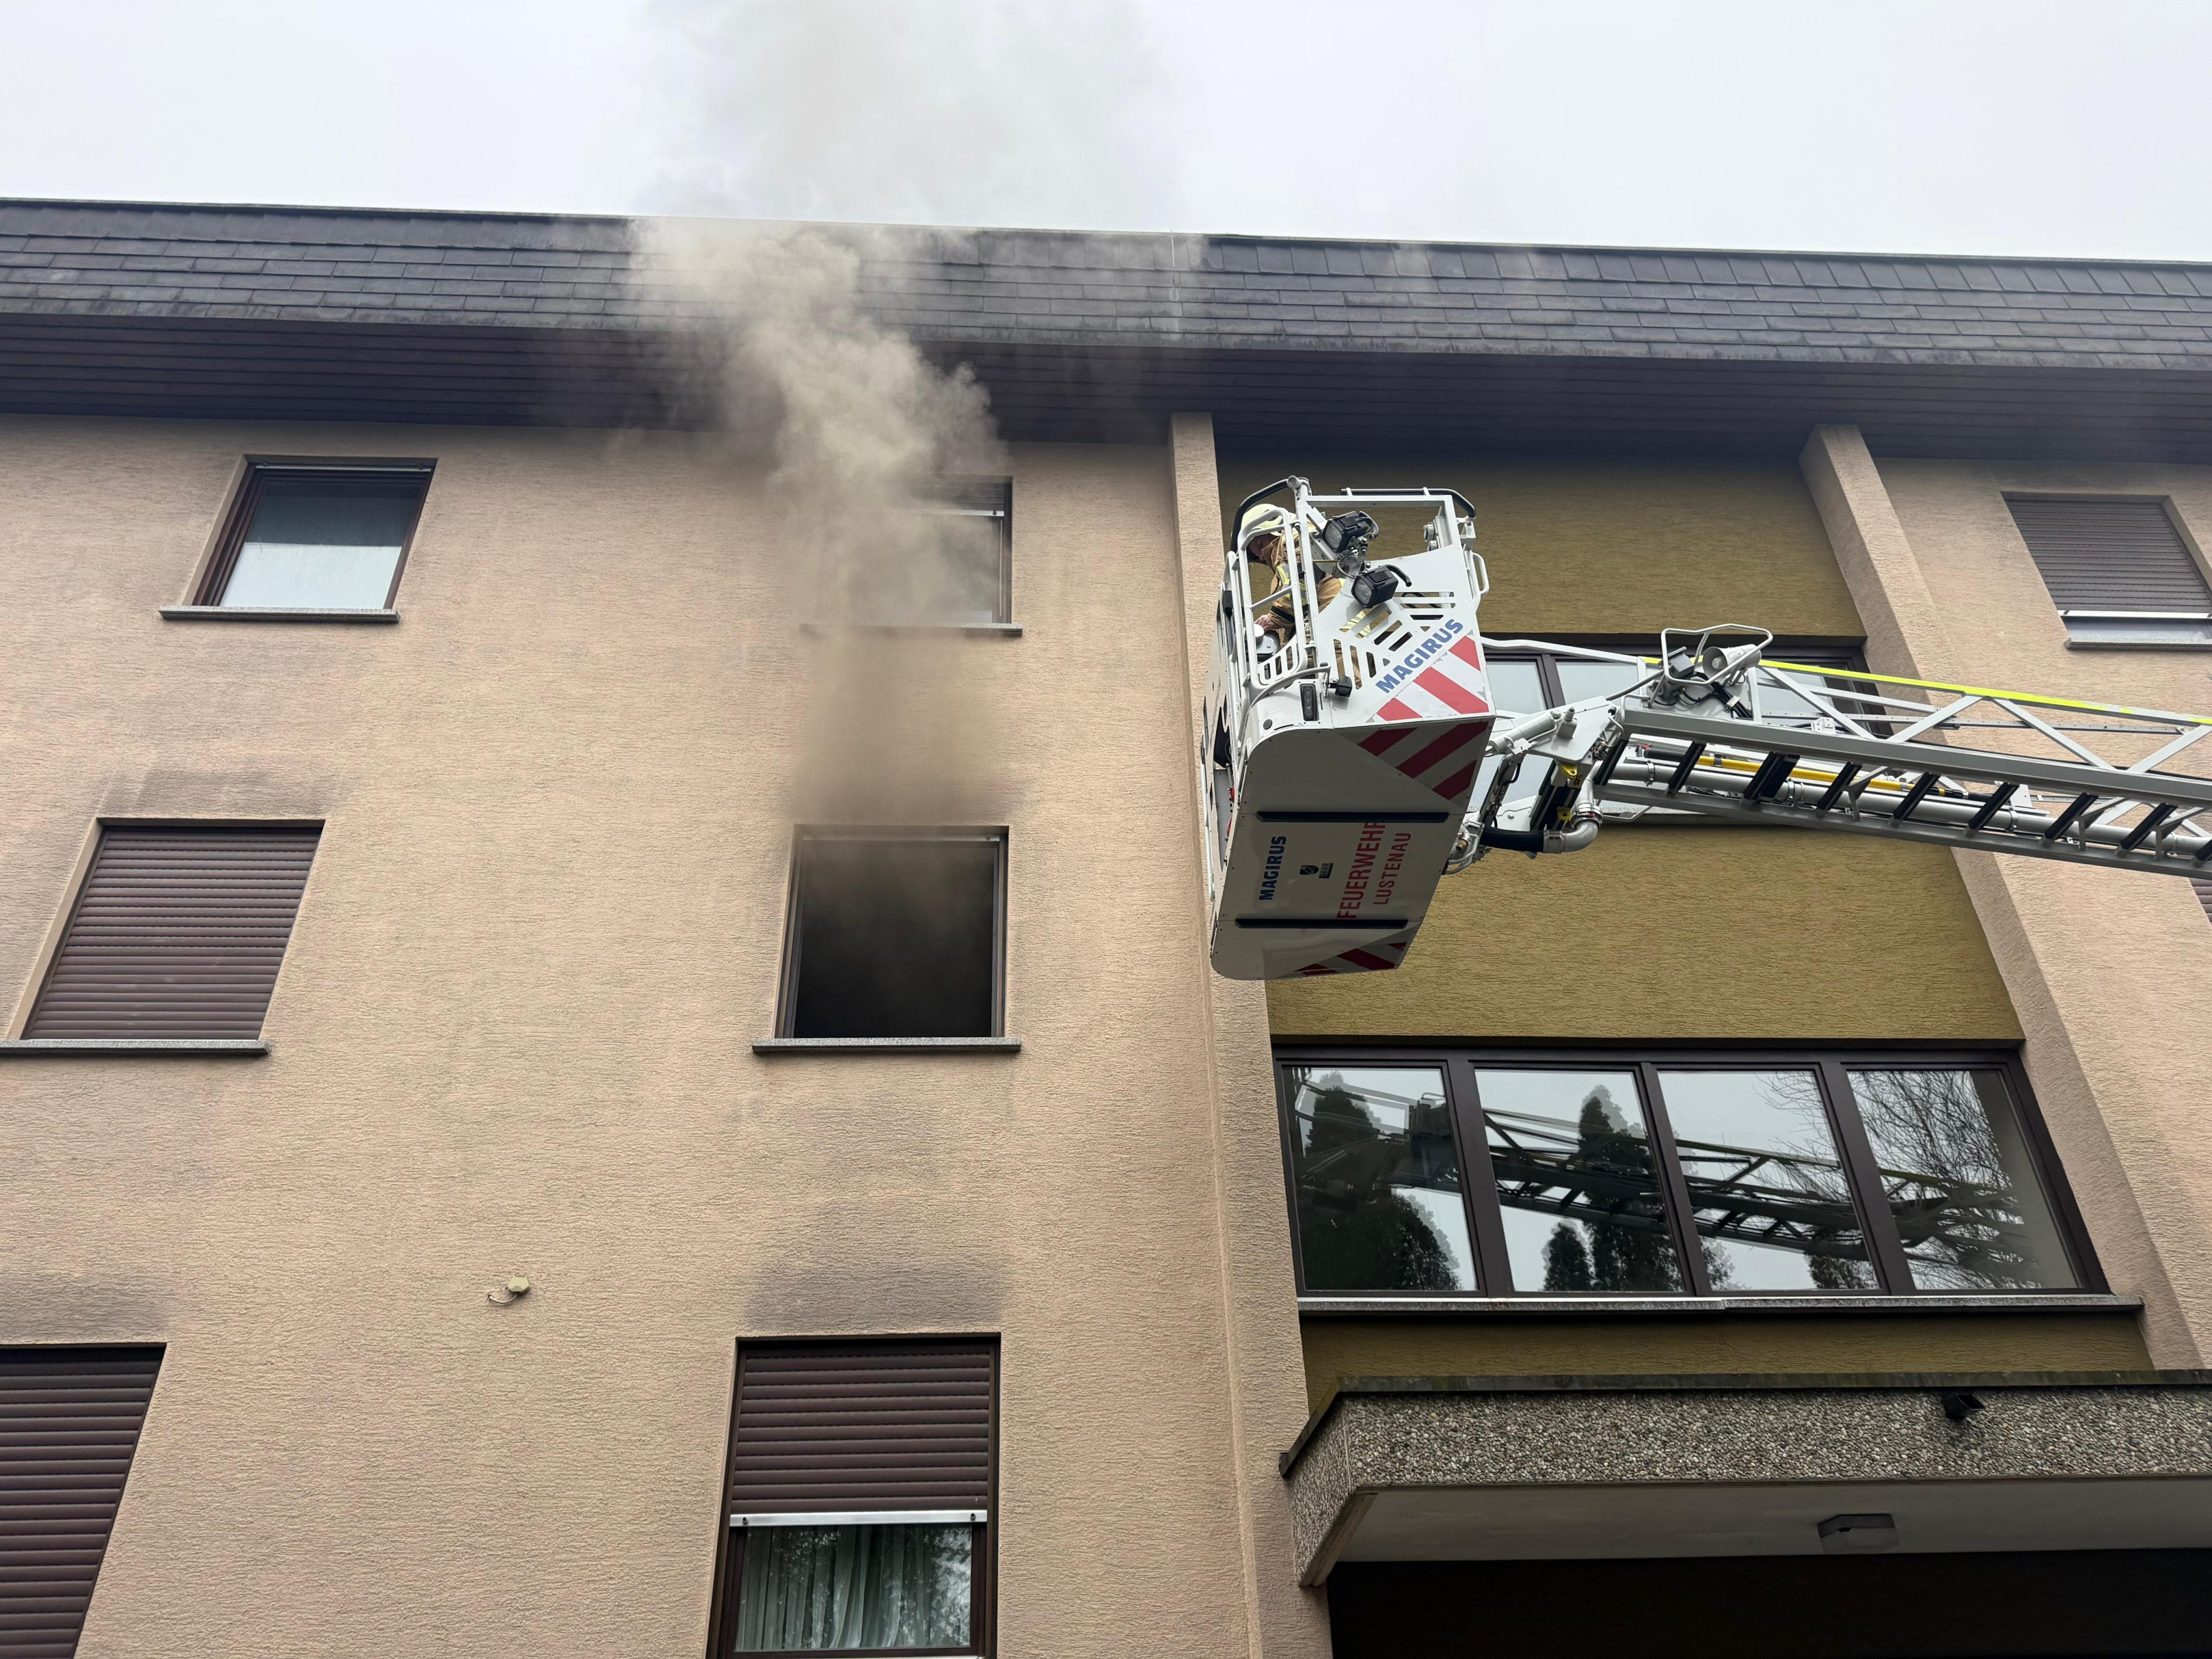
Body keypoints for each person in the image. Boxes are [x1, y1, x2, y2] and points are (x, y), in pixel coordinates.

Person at [1240, 503, 1341, 658]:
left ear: (1275, 527)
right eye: (1256, 556)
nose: (1262, 557)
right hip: (1317, 642)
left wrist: (1276, 617)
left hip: (1336, 641)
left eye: (1260, 545)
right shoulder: (1284, 564)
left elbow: (1304, 576)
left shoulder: (1296, 536)